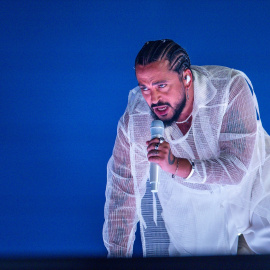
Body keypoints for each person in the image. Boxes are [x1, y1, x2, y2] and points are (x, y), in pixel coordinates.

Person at [103, 39, 270, 257]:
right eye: (144, 88)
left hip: (254, 186)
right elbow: (122, 193)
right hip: (194, 202)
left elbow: (237, 168)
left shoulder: (229, 87)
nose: (153, 99)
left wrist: (176, 166)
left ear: (187, 78)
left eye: (161, 86)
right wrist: (116, 260)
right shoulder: (136, 121)